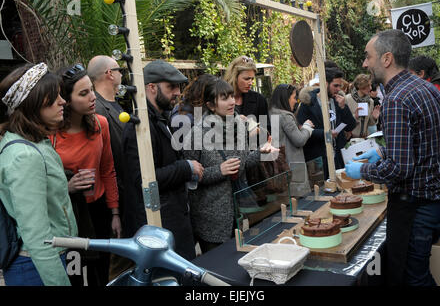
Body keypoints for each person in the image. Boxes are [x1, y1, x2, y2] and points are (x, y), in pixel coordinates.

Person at [345, 29, 440, 286]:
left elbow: (400, 169)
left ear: (387, 58)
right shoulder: (427, 88)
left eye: (368, 57)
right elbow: (430, 144)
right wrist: (382, 151)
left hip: (415, 206)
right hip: (433, 202)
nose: (364, 63)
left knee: (412, 279)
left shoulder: (396, 99)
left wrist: (362, 171)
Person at [0, 63, 77, 286]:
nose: (63, 101)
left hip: (42, 262)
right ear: (34, 103)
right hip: (36, 267)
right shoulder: (25, 155)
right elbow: (37, 236)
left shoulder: (31, 142)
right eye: (54, 97)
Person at [182, 75, 279, 253]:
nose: (232, 101)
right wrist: (219, 171)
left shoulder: (240, 127)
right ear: (211, 105)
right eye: (225, 98)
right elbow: (189, 177)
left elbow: (241, 164)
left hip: (241, 210)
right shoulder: (196, 134)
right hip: (212, 219)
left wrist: (260, 153)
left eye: (232, 96)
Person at [122, 60, 203, 261]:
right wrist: (186, 167)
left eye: (177, 86)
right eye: (170, 87)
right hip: (160, 226)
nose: (177, 92)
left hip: (173, 222)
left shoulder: (160, 118)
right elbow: (145, 179)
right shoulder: (139, 128)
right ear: (151, 88)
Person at [51, 63, 121, 286]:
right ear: (66, 101)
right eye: (84, 93)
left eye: (91, 89)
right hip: (68, 215)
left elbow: (107, 170)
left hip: (99, 210)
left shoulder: (100, 125)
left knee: (101, 273)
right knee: (78, 275)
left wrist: (115, 213)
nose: (93, 97)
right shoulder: (50, 136)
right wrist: (67, 187)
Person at [87, 55, 131, 280]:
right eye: (119, 69)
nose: (122, 74)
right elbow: (108, 161)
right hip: (115, 200)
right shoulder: (98, 113)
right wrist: (116, 208)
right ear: (109, 74)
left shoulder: (117, 106)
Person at [296, 67, 356, 179]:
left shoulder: (338, 101)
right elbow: (301, 130)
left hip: (338, 156)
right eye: (335, 86)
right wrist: (326, 134)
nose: (338, 89)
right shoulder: (308, 102)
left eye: (340, 86)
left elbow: (351, 126)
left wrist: (343, 108)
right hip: (319, 157)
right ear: (325, 83)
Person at [269, 84, 314, 197]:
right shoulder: (285, 116)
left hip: (279, 168)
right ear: (285, 98)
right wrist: (307, 128)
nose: (296, 101)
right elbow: (299, 140)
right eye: (294, 98)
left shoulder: (271, 113)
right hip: (292, 167)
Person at [224, 55, 271, 133]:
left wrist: (256, 130)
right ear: (234, 77)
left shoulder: (259, 100)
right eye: (246, 79)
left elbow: (268, 131)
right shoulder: (220, 98)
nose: (251, 83)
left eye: (252, 79)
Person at [345, 74, 380, 138]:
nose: (370, 88)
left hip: (364, 139)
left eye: (370, 85)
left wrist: (374, 117)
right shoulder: (347, 99)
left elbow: (370, 123)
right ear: (360, 86)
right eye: (368, 85)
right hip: (350, 139)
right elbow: (343, 121)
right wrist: (355, 116)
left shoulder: (370, 101)